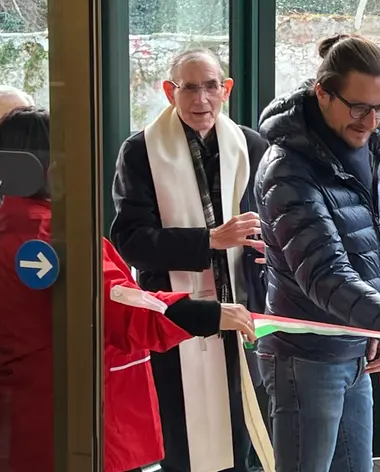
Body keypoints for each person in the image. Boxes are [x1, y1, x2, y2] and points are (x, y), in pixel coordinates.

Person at [0, 107, 258, 472]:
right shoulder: (55, 239)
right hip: (85, 420)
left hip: (27, 420)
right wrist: (211, 313)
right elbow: (118, 307)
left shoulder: (15, 229)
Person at [254, 33, 380, 472]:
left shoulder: (366, 146)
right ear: (322, 93)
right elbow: (324, 271)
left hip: (355, 346)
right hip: (305, 356)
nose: (371, 121)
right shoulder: (288, 167)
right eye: (358, 108)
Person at [110, 48, 270, 472]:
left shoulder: (252, 146)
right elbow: (130, 240)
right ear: (169, 91)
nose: (202, 99)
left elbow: (274, 224)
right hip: (175, 315)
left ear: (226, 89)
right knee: (180, 433)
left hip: (240, 307)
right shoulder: (141, 151)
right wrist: (210, 240)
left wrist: (269, 247)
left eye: (211, 86)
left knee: (242, 426)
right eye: (190, 88)